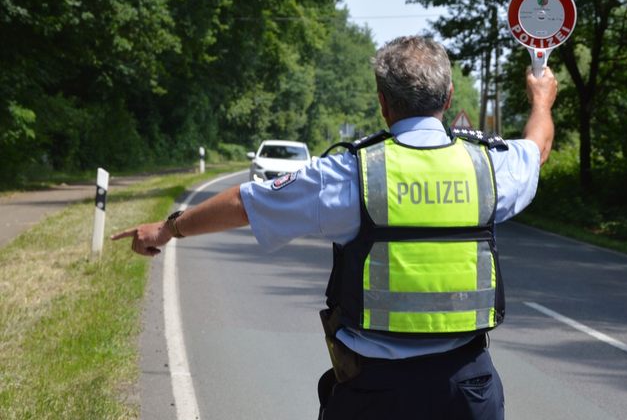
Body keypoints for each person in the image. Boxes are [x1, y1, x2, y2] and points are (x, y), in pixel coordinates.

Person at [112, 35, 558, 419]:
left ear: (382, 101)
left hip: (377, 394)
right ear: (448, 97)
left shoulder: (350, 173)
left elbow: (244, 204)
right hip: (468, 390)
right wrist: (541, 100)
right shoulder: (489, 168)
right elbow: (536, 149)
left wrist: (168, 229)